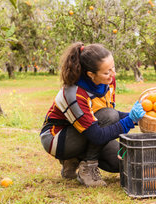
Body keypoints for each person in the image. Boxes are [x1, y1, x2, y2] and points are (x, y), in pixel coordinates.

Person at [40, 42, 145, 187]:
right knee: (110, 116)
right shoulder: (74, 93)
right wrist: (129, 121)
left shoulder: (108, 82)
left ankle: (74, 158)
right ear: (91, 74)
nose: (112, 74)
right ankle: (87, 169)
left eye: (113, 68)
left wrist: (141, 118)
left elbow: (102, 115)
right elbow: (99, 131)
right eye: (107, 72)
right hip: (57, 139)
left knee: (120, 162)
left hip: (86, 129)